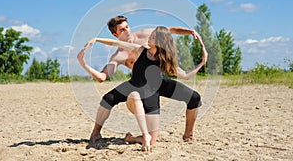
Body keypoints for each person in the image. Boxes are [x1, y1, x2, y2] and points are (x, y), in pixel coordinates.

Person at [77, 16, 206, 145]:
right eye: (122, 30)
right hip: (136, 84)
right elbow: (103, 72)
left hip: (157, 84)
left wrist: (199, 56)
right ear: (115, 33)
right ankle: (95, 133)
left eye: (127, 27)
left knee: (194, 97)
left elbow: (184, 72)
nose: (127, 31)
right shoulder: (128, 52)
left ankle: (188, 135)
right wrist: (91, 51)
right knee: (108, 99)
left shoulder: (154, 45)